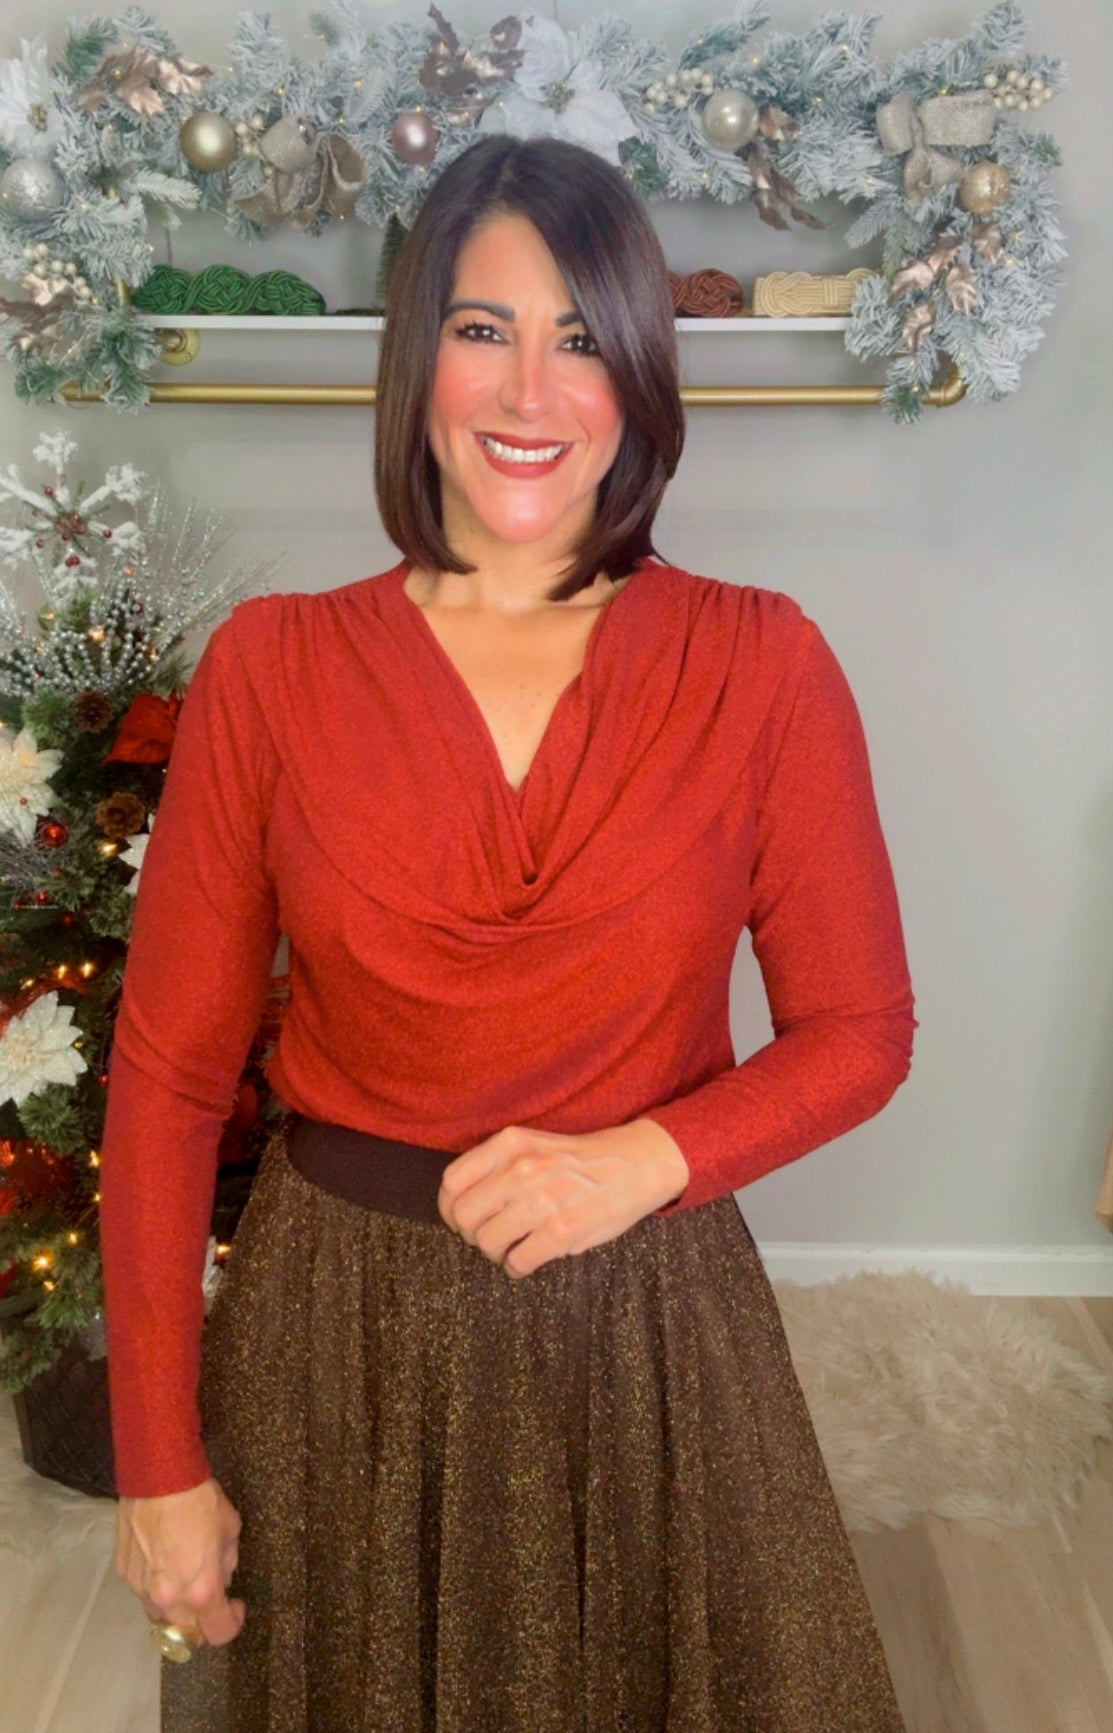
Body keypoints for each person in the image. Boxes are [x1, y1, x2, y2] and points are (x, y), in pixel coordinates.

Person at [100, 134, 915, 1731]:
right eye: (484, 329)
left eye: (581, 338)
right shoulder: (272, 668)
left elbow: (860, 1030)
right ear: (420, 358)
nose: (529, 391)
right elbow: (170, 1076)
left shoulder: (761, 664)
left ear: (640, 377)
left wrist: (643, 1159)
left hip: (648, 1327)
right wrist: (156, 1458)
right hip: (336, 1338)